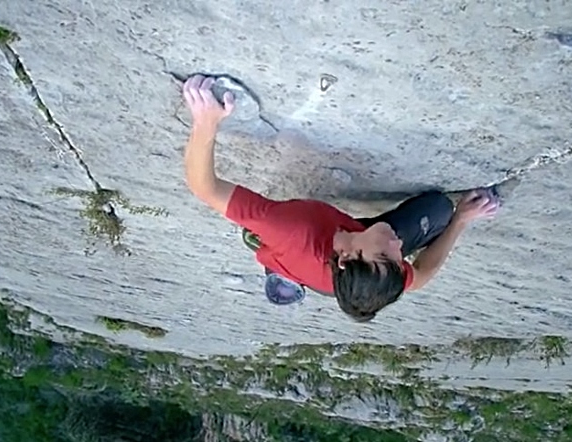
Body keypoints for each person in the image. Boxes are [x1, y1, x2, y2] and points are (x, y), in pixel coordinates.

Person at [182, 75, 499, 322]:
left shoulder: (291, 230)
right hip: (343, 253)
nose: (399, 247)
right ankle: (290, 277)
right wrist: (460, 220)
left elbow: (204, 188)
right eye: (399, 258)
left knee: (273, 243)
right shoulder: (383, 273)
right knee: (439, 208)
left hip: (304, 256)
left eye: (386, 255)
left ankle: (277, 269)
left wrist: (205, 122)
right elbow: (423, 276)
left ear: (347, 259)